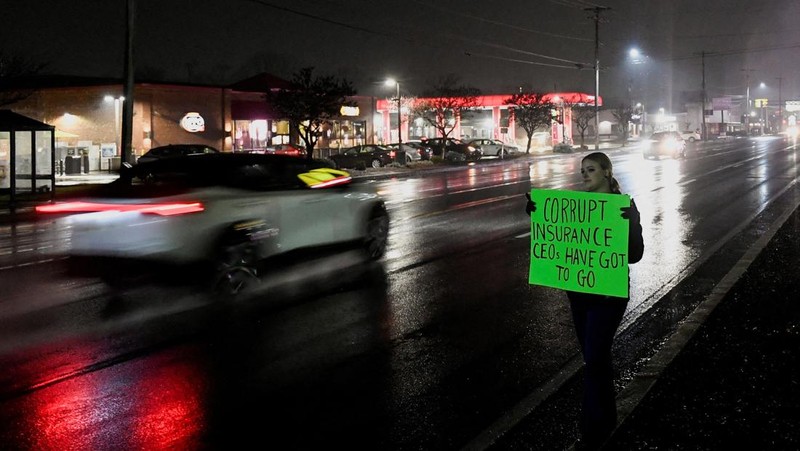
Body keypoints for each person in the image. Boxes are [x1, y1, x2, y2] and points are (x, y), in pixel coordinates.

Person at [525, 151, 644, 449]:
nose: (585, 175)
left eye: (591, 169)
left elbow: (635, 255)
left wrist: (629, 224)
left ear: (606, 172)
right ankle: (606, 419)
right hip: (579, 296)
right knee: (595, 360)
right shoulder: (578, 206)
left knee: (594, 361)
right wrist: (538, 214)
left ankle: (592, 431)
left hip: (608, 297)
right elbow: (559, 239)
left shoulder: (623, 206)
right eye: (582, 171)